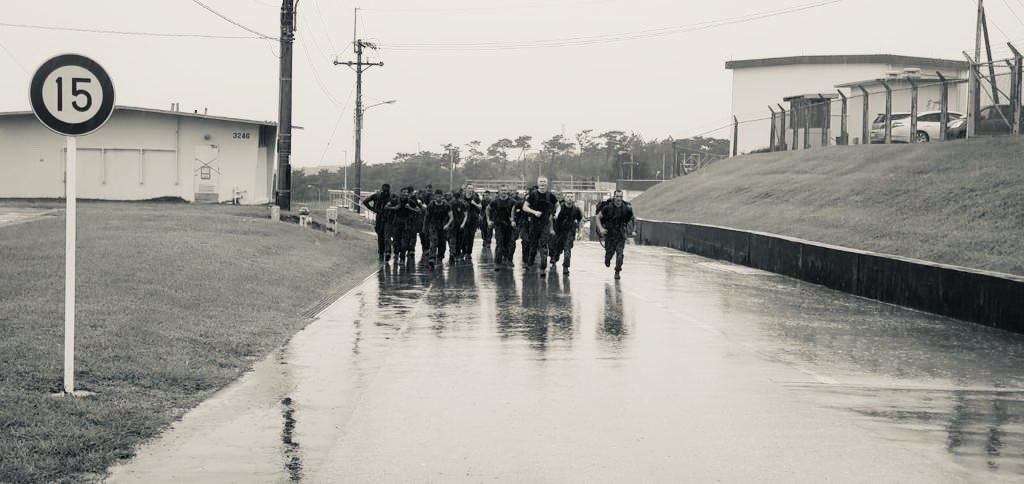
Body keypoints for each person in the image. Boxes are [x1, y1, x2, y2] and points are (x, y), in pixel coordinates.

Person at [522, 177, 558, 277]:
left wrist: (556, 214)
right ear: (537, 183)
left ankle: (543, 267)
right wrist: (534, 212)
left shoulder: (550, 196)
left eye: (544, 182)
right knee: (533, 246)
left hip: (545, 224)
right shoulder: (532, 195)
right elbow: (524, 207)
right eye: (540, 182)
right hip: (534, 224)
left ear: (547, 184)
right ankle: (530, 262)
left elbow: (558, 205)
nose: (542, 183)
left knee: (543, 244)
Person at [595, 190, 635, 280]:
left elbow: (632, 218)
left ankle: (617, 271)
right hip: (610, 235)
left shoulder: (625, 208)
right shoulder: (608, 208)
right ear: (614, 197)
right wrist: (601, 228)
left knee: (620, 254)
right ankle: (607, 258)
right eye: (617, 196)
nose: (619, 199)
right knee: (610, 253)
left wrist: (633, 230)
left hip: (620, 235)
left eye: (620, 197)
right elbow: (598, 217)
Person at [383, 186, 421, 262]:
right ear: (400, 193)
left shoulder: (410, 202)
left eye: (406, 192)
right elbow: (386, 207)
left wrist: (410, 208)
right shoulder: (395, 200)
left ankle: (402, 258)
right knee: (396, 241)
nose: (405, 194)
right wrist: (394, 208)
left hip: (406, 223)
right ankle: (396, 254)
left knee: (404, 241)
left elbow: (418, 209)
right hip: (396, 222)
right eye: (403, 192)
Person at [550, 192, 583, 275]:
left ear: (573, 199)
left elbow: (579, 221)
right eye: (568, 196)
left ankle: (566, 267)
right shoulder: (559, 208)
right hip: (559, 231)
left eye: (571, 197)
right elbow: (551, 218)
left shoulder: (576, 209)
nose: (570, 198)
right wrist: (551, 229)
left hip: (569, 232)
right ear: (565, 198)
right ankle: (555, 257)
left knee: (567, 249)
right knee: (557, 248)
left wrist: (580, 232)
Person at [362, 183, 394, 262]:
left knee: (386, 236)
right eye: (385, 190)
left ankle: (386, 252)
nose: (386, 192)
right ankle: (383, 252)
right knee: (382, 236)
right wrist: (373, 209)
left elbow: (365, 201)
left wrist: (373, 209)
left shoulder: (379, 195)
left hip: (386, 217)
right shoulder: (381, 195)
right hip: (381, 217)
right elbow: (365, 201)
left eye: (387, 191)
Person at [486, 185, 516, 270]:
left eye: (505, 190)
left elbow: (515, 213)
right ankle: (497, 263)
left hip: (509, 226)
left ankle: (509, 259)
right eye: (502, 190)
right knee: (499, 244)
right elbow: (487, 209)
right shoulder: (495, 202)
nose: (503, 192)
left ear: (507, 191)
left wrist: (514, 221)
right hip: (498, 225)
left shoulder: (512, 202)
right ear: (499, 191)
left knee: (510, 244)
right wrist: (488, 220)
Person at [423, 188, 453, 268]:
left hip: (443, 225)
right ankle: (432, 258)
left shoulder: (446, 205)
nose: (438, 198)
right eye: (437, 196)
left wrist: (447, 224)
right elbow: (427, 217)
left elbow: (451, 217)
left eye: (440, 196)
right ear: (434, 197)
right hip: (433, 225)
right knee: (433, 240)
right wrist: (425, 228)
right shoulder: (431, 205)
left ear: (442, 196)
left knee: (442, 242)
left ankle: (440, 257)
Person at [460, 183, 482, 260]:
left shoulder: (476, 198)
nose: (470, 190)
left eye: (471, 188)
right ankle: (463, 251)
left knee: (471, 236)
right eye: (469, 188)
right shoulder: (462, 197)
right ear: (466, 189)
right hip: (463, 219)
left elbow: (480, 207)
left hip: (473, 219)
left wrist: (475, 204)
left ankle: (469, 253)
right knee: (463, 235)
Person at [447, 190, 468, 263]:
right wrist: (463, 223)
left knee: (454, 240)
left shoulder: (451, 203)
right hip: (457, 225)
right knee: (457, 240)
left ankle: (453, 254)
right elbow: (466, 215)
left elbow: (465, 215)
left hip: (456, 225)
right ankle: (454, 254)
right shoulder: (459, 204)